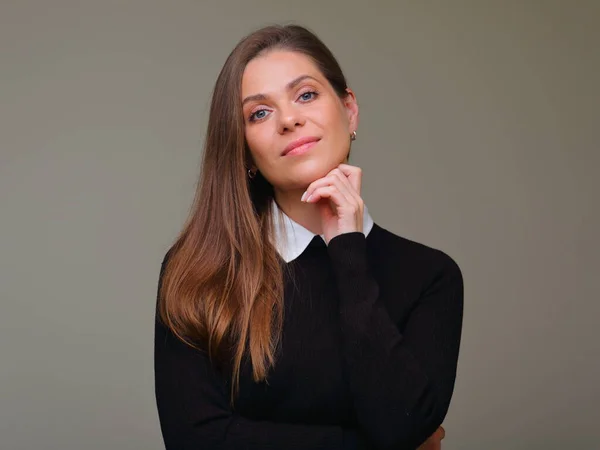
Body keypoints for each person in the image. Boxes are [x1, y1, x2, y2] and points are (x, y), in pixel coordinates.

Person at [154, 24, 463, 450]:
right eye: (259, 113)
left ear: (349, 110)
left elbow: (400, 423)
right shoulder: (199, 269)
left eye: (306, 95)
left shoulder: (430, 276)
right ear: (243, 148)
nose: (289, 119)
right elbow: (194, 439)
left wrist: (348, 250)